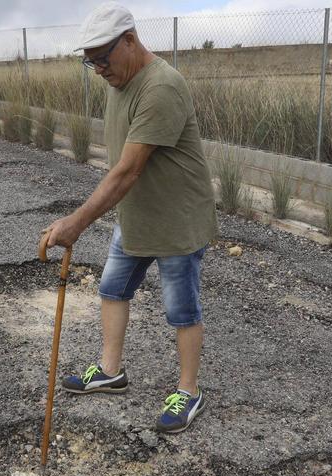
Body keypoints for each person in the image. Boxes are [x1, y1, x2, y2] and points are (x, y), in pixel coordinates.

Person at [41, 2, 217, 433]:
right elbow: (122, 166)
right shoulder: (116, 79)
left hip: (177, 220)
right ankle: (110, 370)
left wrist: (76, 222)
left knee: (181, 308)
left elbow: (128, 169)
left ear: (131, 41)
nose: (98, 69)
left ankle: (189, 392)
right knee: (112, 288)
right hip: (136, 213)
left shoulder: (161, 87)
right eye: (91, 61)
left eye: (103, 58)